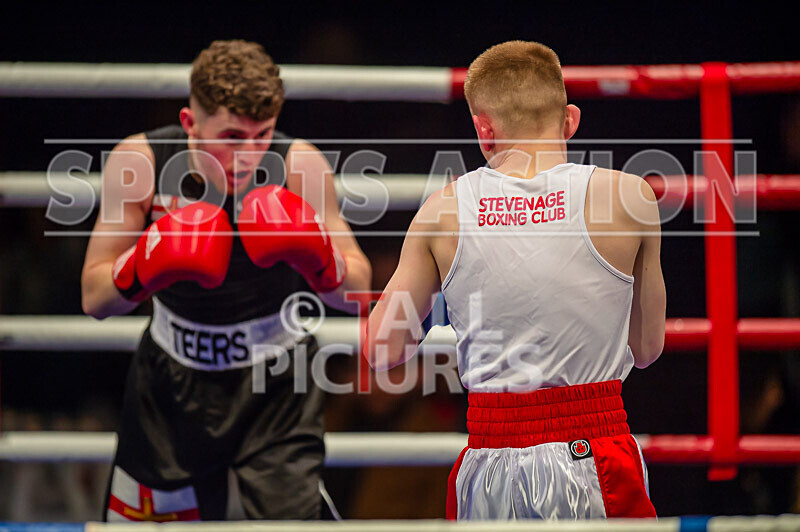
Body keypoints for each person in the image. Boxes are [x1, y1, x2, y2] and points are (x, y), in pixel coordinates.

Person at [365, 40, 666, 520]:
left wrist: (450, 296)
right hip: (594, 450)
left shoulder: (441, 211)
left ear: (483, 131)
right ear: (570, 120)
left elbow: (383, 350)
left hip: (489, 461)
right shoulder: (630, 196)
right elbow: (647, 349)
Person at [81, 40, 372, 521]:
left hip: (277, 383)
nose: (249, 154)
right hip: (171, 383)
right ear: (190, 123)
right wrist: (145, 264)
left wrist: (319, 258)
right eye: (234, 136)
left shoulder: (297, 165)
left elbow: (358, 288)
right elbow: (94, 296)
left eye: (263, 136)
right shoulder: (143, 161)